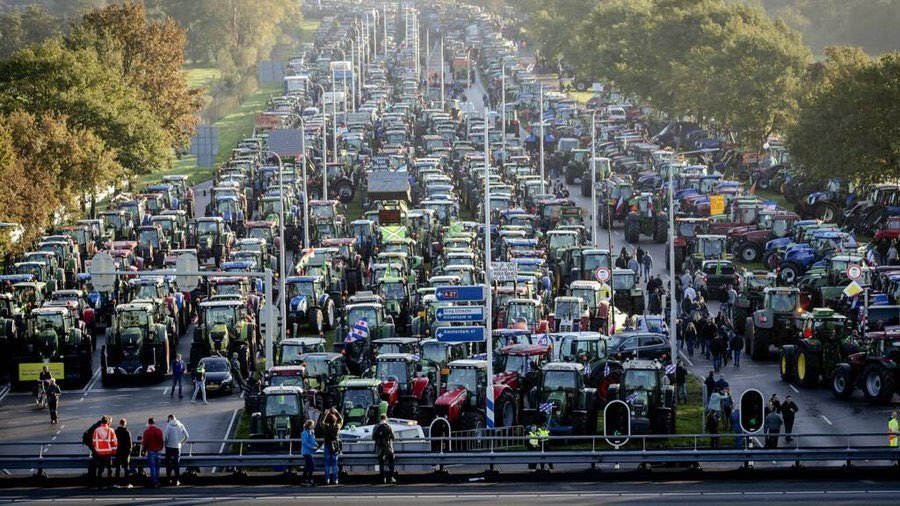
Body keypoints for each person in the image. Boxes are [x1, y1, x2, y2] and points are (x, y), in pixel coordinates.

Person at [92, 416, 118, 489]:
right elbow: (114, 442)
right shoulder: (111, 430)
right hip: (108, 452)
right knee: (109, 468)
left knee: (100, 468)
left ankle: (100, 484)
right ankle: (109, 484)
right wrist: (114, 451)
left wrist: (97, 450)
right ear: (107, 422)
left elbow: (94, 441)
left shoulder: (96, 430)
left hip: (99, 453)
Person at [320, 407, 344, 485]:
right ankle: (335, 479)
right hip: (335, 445)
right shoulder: (337, 426)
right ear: (335, 420)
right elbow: (341, 420)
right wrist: (336, 412)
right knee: (334, 464)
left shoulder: (326, 427)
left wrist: (325, 414)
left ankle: (327, 479)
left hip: (327, 444)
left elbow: (321, 422)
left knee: (327, 463)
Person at [164, 414, 189, 486]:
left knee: (168, 463)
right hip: (177, 447)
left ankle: (168, 479)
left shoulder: (168, 425)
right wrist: (181, 443)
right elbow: (187, 436)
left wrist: (165, 445)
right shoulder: (180, 425)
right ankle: (177, 480)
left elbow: (166, 437)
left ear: (170, 419)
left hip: (169, 447)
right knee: (176, 464)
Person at [372, 414, 396, 484]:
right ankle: (391, 478)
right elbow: (393, 437)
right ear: (386, 418)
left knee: (381, 463)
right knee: (391, 462)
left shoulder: (376, 426)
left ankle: (383, 478)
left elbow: (373, 437)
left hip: (379, 448)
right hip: (388, 447)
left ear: (380, 418)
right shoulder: (388, 426)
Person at [142, 417, 164, 488]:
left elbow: (145, 443)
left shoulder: (146, 432)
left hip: (151, 451)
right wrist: (160, 448)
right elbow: (161, 441)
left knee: (152, 468)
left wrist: (144, 450)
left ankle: (154, 482)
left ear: (149, 423)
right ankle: (158, 481)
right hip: (158, 451)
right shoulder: (159, 431)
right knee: (157, 467)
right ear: (154, 423)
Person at [83, 417, 104, 486]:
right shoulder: (98, 428)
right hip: (94, 446)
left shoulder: (95, 426)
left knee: (94, 463)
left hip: (92, 445)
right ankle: (97, 481)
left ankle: (93, 479)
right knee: (98, 463)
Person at [114, 419, 133, 488]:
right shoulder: (127, 431)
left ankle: (116, 483)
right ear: (125, 424)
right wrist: (129, 451)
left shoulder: (116, 431)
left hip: (118, 452)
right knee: (126, 468)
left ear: (119, 423)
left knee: (118, 468)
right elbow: (130, 443)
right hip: (125, 452)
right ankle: (127, 483)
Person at [301, 419, 318, 486]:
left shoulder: (311, 432)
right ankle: (309, 480)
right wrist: (312, 447)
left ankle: (304, 480)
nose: (313, 426)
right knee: (312, 465)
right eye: (312, 425)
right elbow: (304, 443)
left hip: (310, 452)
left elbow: (313, 440)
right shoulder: (305, 433)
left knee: (308, 466)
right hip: (306, 452)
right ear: (309, 425)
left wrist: (316, 444)